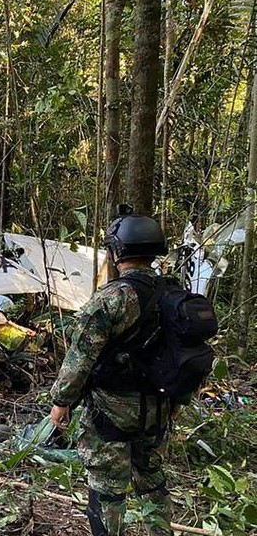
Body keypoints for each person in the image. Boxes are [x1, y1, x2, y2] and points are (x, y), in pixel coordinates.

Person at [49, 211, 180, 536]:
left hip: (111, 413)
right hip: (157, 410)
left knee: (107, 490)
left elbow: (80, 356)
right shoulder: (173, 295)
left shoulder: (112, 299)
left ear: (118, 251)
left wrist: (61, 401)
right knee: (152, 483)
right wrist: (177, 400)